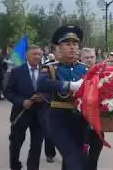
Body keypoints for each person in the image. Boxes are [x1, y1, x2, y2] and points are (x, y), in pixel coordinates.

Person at [37, 25, 89, 170]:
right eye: (67, 44)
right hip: (59, 120)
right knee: (73, 157)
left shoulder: (85, 69)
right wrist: (69, 86)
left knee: (75, 158)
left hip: (81, 121)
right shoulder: (51, 67)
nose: (72, 48)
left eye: (75, 44)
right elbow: (41, 84)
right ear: (59, 48)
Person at [4, 45, 44, 170]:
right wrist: (22, 101)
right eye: (34, 54)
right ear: (27, 55)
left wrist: (44, 97)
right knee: (16, 143)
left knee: (37, 145)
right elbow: (8, 92)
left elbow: (52, 90)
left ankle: (32, 167)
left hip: (39, 114)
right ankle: (15, 165)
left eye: (39, 54)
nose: (37, 56)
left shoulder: (47, 71)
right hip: (21, 113)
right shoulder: (17, 71)